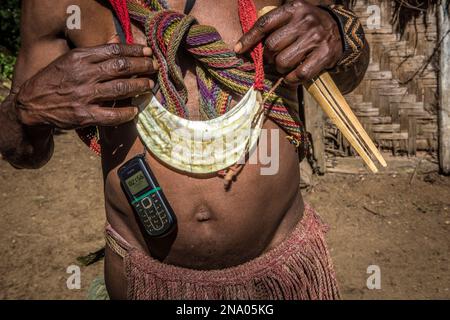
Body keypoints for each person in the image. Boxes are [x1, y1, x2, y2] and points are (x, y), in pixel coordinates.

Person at [0, 0, 369, 299]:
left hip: (281, 274)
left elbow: (349, 76)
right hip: (143, 279)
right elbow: (23, 153)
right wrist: (24, 111)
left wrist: (337, 32)